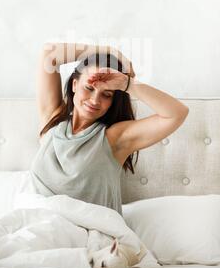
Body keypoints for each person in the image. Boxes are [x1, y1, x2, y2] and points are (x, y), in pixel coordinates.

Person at [30, 42, 189, 216]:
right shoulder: (51, 121)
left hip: (84, 234)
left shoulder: (114, 138)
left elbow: (176, 114)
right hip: (38, 223)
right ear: (74, 85)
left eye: (106, 94)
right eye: (89, 88)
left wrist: (128, 85)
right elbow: (49, 54)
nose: (95, 100)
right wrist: (109, 51)